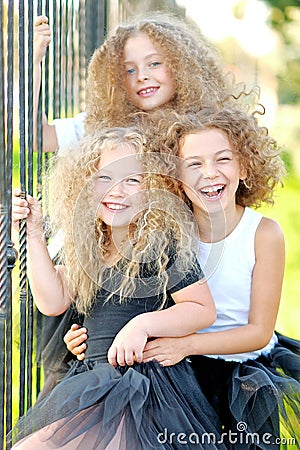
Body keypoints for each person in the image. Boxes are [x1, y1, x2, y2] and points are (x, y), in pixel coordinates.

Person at [66, 107, 300, 449]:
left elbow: (258, 332)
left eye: (223, 159)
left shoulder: (263, 234)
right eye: (194, 164)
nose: (210, 174)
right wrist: (91, 336)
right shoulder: (164, 231)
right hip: (175, 371)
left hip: (240, 374)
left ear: (245, 165)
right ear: (174, 178)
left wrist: (186, 344)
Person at [9, 127, 227, 450]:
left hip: (143, 387)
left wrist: (142, 325)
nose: (118, 191)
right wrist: (34, 234)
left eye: (132, 180)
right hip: (92, 381)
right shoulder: (90, 247)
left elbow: (201, 309)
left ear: (152, 188)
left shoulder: (160, 242)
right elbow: (52, 301)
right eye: (104, 179)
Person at [33, 12, 248, 153]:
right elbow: (38, 138)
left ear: (180, 66)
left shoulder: (206, 125)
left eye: (154, 63)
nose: (141, 76)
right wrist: (34, 62)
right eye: (129, 69)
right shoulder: (106, 125)